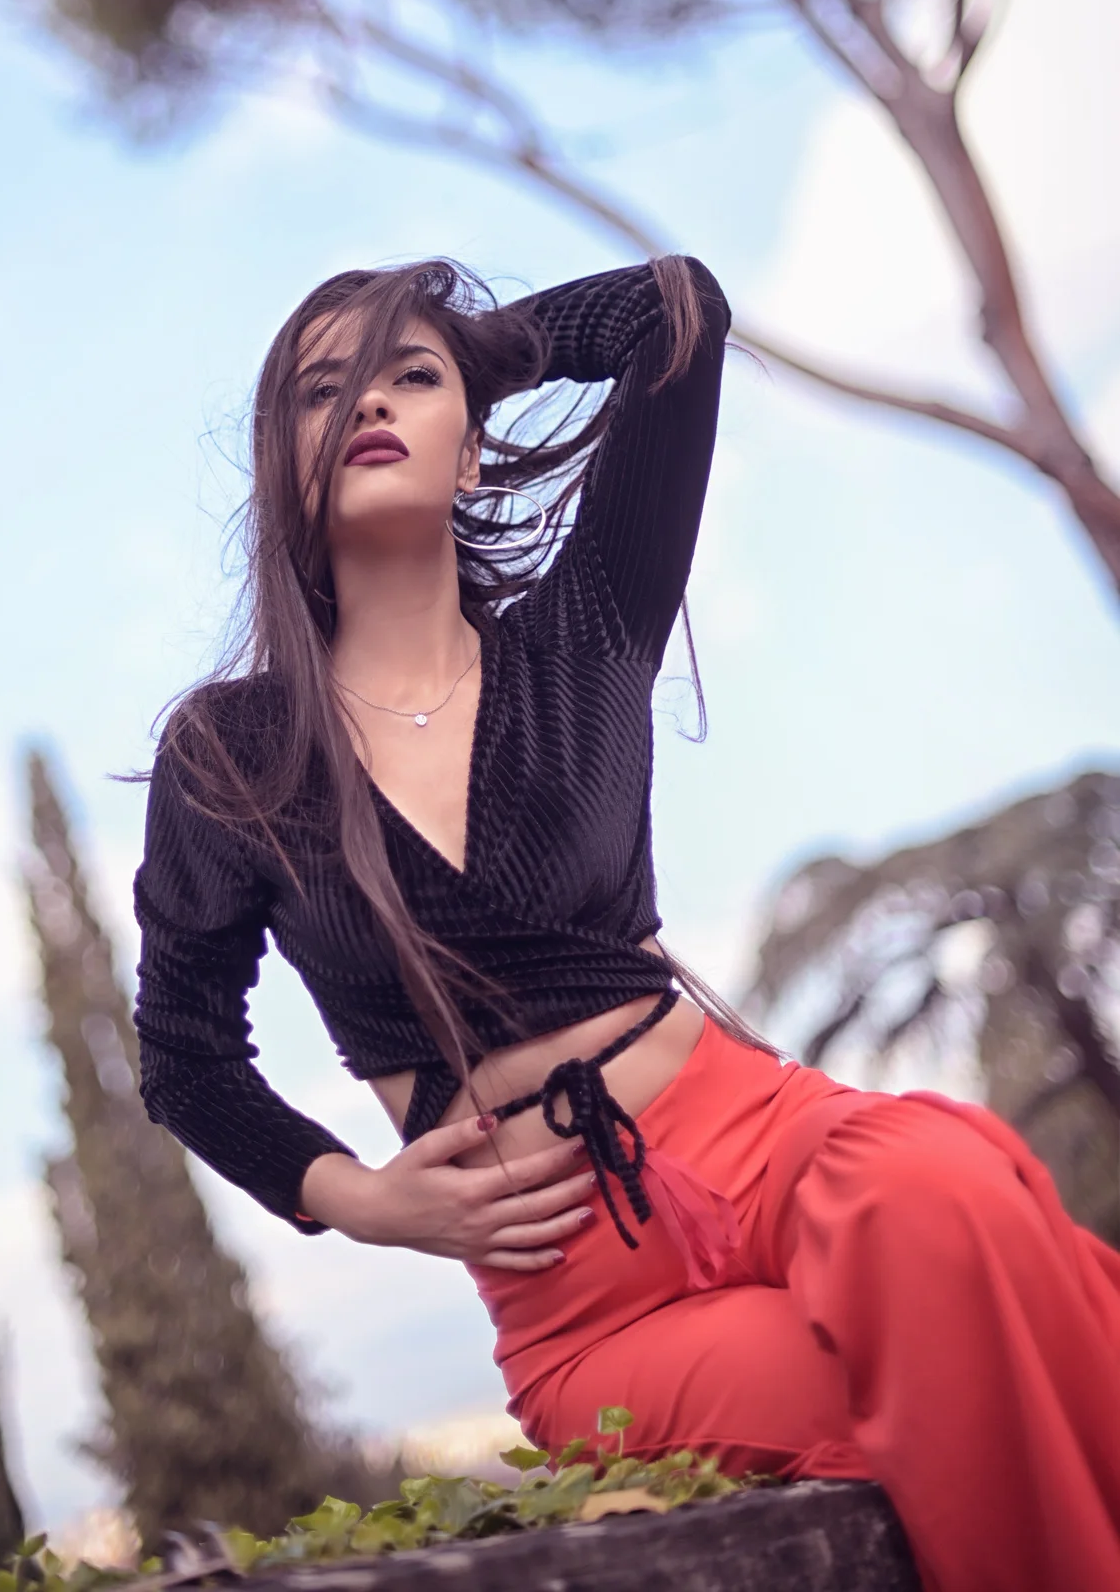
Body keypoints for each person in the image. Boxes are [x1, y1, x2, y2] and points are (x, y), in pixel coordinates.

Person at [132, 252, 1120, 1592]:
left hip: (765, 1143)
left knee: (940, 1196)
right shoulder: (232, 753)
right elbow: (186, 1054)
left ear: (473, 450)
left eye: (406, 377)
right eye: (323, 391)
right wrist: (363, 1202)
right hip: (582, 1297)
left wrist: (467, 350)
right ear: (284, 464)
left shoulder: (584, 630)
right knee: (952, 1374)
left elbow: (673, 313)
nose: (367, 400)